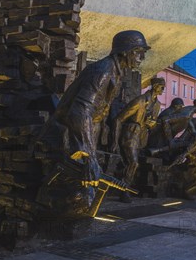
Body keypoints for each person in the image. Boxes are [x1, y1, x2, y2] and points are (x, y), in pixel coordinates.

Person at [40, 30, 150, 187]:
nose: (142, 58)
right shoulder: (103, 71)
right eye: (139, 52)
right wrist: (90, 157)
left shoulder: (115, 72)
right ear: (125, 52)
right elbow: (80, 112)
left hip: (79, 137)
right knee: (76, 193)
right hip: (66, 137)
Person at [112, 77, 165, 202]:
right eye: (162, 86)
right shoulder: (140, 101)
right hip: (130, 135)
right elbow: (118, 119)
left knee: (134, 163)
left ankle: (128, 187)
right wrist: (114, 140)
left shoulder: (157, 105)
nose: (163, 89)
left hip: (142, 136)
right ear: (155, 86)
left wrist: (151, 124)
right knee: (133, 162)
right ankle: (124, 191)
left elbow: (153, 122)